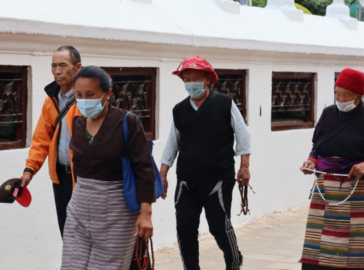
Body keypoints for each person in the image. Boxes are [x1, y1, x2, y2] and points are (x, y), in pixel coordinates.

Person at [160, 56, 251, 270]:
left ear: (208, 79)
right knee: (185, 228)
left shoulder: (224, 103)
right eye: (187, 78)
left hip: (218, 180)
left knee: (219, 227)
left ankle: (234, 260)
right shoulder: (179, 110)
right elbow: (172, 143)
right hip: (186, 182)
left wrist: (244, 166)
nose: (191, 82)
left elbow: (243, 135)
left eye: (196, 78)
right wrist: (162, 173)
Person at [299, 68, 364, 270]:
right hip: (326, 186)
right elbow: (317, 146)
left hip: (357, 189)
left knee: (355, 245)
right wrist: (311, 161)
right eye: (337, 93)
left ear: (359, 96)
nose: (341, 98)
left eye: (347, 95)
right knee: (320, 240)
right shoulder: (327, 114)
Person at [61, 66, 155, 269]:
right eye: (79, 94)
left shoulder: (127, 121)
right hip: (80, 207)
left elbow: (144, 168)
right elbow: (78, 168)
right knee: (71, 265)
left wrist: (145, 213)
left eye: (90, 94)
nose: (84, 100)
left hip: (116, 211)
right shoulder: (77, 123)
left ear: (108, 93)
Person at [19, 45, 82, 237]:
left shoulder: (87, 98)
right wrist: (30, 170)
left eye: (63, 65)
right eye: (54, 66)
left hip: (85, 176)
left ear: (77, 67)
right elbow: (41, 139)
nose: (57, 71)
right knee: (66, 231)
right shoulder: (51, 100)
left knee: (87, 233)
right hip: (60, 177)